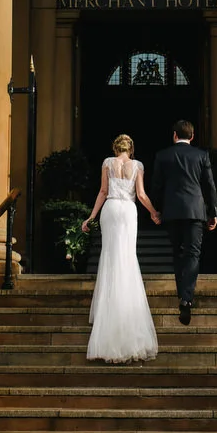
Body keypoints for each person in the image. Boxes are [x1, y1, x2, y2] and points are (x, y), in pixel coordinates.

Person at [80, 133, 160, 363]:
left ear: (115, 149)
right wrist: (154, 212)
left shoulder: (107, 163)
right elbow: (142, 194)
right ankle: (126, 308)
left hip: (111, 209)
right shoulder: (137, 165)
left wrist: (91, 217)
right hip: (128, 211)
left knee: (110, 257)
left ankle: (108, 310)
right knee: (127, 257)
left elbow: (103, 192)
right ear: (131, 149)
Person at [149, 119, 217, 325]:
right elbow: (210, 186)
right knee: (193, 253)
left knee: (178, 253)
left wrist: (155, 210)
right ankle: (186, 298)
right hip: (195, 212)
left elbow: (157, 185)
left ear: (174, 135)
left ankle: (183, 295)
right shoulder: (201, 155)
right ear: (193, 136)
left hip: (171, 212)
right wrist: (213, 212)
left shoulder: (163, 156)